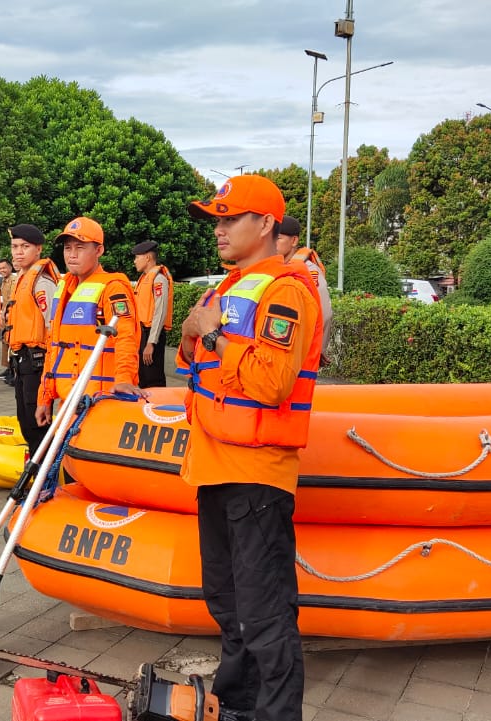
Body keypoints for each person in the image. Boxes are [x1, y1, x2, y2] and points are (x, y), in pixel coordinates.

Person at [179, 175, 323, 721]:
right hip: (214, 466)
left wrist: (213, 334)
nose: (218, 230)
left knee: (264, 614)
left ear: (264, 224)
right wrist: (195, 334)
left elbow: (270, 383)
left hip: (256, 473)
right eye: (215, 220)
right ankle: (237, 704)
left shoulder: (285, 289)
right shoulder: (225, 287)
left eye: (229, 219)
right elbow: (195, 361)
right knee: (227, 603)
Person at [35, 217, 143, 427]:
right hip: (69, 404)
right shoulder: (64, 288)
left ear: (99, 250)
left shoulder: (113, 288)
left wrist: (124, 379)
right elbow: (54, 348)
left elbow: (126, 337)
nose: (72, 254)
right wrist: (45, 396)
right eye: (68, 248)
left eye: (80, 247)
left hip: (101, 402)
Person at [3, 224, 59, 456]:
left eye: (25, 247)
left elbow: (53, 324)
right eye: (15, 247)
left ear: (38, 249)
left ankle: (46, 479)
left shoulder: (41, 282)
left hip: (37, 361)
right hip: (22, 359)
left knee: (37, 422)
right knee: (25, 420)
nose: (18, 252)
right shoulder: (22, 278)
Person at [276, 217, 333, 342]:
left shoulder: (308, 271)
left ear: (294, 241)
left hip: (302, 350)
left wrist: (318, 350)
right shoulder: (275, 268)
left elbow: (324, 315)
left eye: (278, 238)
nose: (273, 243)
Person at [131, 240, 173, 388]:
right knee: (143, 378)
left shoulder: (158, 279)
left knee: (153, 379)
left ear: (147, 257)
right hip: (143, 333)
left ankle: (157, 409)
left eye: (137, 257)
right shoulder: (144, 279)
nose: (134, 261)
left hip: (152, 334)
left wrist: (151, 342)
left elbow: (160, 312)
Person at [0, 259, 18, 385]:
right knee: (5, 342)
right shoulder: (4, 281)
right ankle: (8, 368)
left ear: (10, 268)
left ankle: (13, 370)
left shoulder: (14, 281)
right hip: (5, 315)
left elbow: (12, 300)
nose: (2, 270)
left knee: (11, 343)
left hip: (11, 315)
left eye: (4, 268)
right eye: (0, 269)